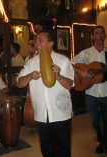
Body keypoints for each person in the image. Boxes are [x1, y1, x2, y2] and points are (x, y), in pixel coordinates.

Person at [17, 29, 74, 157]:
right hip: (41, 113)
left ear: (51, 42)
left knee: (63, 148)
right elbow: (20, 83)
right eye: (36, 40)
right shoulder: (30, 63)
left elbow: (70, 85)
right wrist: (30, 76)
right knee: (47, 149)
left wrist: (58, 76)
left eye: (40, 40)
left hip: (61, 113)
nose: (36, 42)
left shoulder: (63, 61)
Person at [71, 25, 107, 153]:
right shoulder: (86, 53)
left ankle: (103, 143)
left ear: (104, 35)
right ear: (92, 36)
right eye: (97, 33)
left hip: (106, 92)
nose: (100, 35)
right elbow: (71, 64)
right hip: (91, 93)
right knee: (94, 121)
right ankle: (101, 139)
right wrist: (81, 72)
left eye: (102, 33)